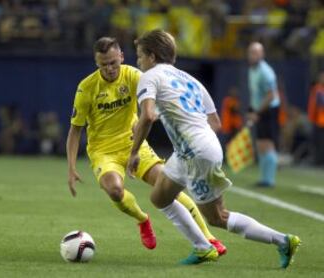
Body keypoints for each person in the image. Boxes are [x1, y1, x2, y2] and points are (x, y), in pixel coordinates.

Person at [127, 29, 300, 267]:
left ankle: (283, 241)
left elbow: (145, 116)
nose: (138, 61)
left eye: (140, 56)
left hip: (196, 152)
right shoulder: (190, 80)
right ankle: (202, 247)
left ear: (153, 57)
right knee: (159, 197)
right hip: (192, 150)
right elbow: (215, 123)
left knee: (218, 217)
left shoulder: (150, 76)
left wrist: (134, 152)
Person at [66, 36, 226, 253]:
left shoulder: (134, 76)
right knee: (114, 190)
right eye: (104, 65)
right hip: (103, 151)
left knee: (168, 184)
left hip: (135, 145)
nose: (110, 68)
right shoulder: (86, 88)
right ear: (97, 63)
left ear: (121, 56)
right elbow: (75, 130)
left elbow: (157, 103)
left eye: (114, 62)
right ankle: (142, 219)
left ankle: (209, 238)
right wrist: (72, 167)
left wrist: (147, 120)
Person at [247, 42, 280, 187]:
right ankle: (264, 178)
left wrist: (257, 113)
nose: (252, 55)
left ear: (262, 54)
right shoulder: (252, 70)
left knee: (267, 144)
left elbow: (271, 96)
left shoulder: (266, 72)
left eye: (256, 52)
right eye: (251, 52)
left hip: (268, 110)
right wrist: (251, 110)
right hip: (259, 109)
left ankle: (270, 180)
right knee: (260, 144)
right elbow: (255, 93)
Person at [308, 71, 324, 166]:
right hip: (316, 120)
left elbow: (321, 102)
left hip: (321, 121)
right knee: (317, 141)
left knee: (321, 142)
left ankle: (320, 161)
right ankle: (317, 160)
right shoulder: (317, 88)